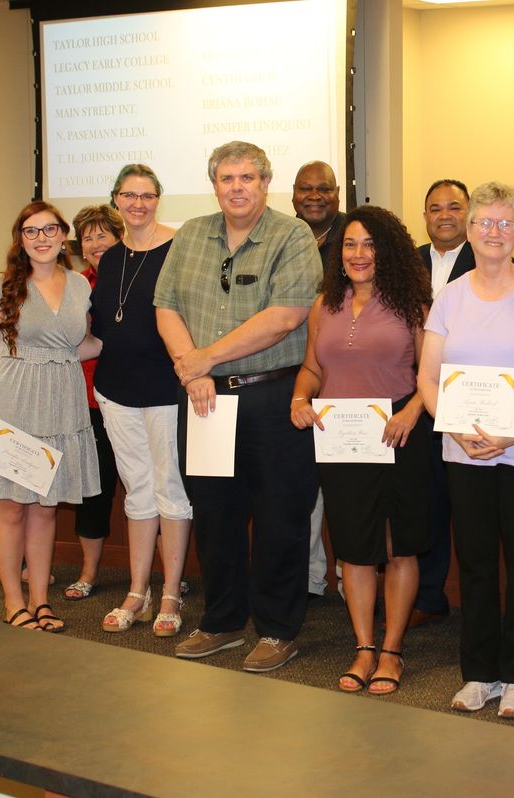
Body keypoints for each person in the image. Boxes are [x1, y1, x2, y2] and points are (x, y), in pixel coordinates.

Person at [155, 141, 320, 670]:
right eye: (227, 178)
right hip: (206, 399)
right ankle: (222, 622)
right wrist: (191, 366)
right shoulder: (190, 235)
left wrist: (205, 359)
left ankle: (277, 629)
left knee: (280, 517)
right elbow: (166, 307)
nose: (237, 187)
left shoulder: (291, 234)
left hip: (274, 396)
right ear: (215, 185)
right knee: (215, 515)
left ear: (265, 182)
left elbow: (287, 316)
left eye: (247, 177)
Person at [418, 181, 514, 719]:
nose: (493, 232)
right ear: (469, 228)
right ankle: (480, 673)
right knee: (478, 565)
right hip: (465, 453)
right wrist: (454, 425)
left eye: (505, 223)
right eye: (484, 222)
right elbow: (427, 379)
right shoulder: (451, 296)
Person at [291, 205, 432, 694]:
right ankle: (364, 647)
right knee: (353, 548)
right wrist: (298, 398)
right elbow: (312, 369)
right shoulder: (323, 304)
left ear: (387, 250)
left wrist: (412, 412)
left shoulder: (413, 305)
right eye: (350, 244)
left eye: (369, 244)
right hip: (341, 440)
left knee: (396, 547)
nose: (358, 253)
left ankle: (392, 651)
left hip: (397, 435)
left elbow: (433, 377)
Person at [0, 201, 102, 631]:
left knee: (45, 510)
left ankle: (41, 601)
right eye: (31, 231)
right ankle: (13, 602)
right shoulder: (3, 286)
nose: (41, 238)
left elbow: (78, 346)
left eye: (49, 230)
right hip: (12, 404)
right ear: (20, 240)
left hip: (62, 403)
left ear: (64, 236)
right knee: (10, 510)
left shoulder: (81, 285)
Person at [92, 164, 192, 636]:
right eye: (129, 195)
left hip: (167, 391)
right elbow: (103, 329)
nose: (138, 204)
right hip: (115, 392)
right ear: (116, 200)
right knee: (137, 490)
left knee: (170, 487)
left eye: (147, 196)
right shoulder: (110, 258)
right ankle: (138, 589)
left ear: (158, 199)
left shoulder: (180, 248)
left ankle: (170, 592)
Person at [413, 178, 474, 628]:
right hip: (419, 401)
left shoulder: (491, 261)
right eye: (436, 208)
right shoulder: (407, 262)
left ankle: (477, 602)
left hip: (473, 403)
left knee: (470, 510)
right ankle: (428, 597)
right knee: (427, 504)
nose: (445, 215)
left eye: (454, 206)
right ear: (426, 216)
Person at [63, 204, 124, 601]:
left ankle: (160, 575)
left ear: (120, 239)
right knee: (94, 492)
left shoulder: (140, 279)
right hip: (90, 403)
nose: (96, 242)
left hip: (140, 398)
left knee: (150, 490)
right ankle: (88, 572)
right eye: (89, 236)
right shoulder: (74, 287)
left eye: (104, 234)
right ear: (81, 248)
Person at [292, 160, 346, 600]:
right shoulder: (279, 236)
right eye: (305, 189)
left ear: (337, 193)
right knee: (301, 489)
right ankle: (309, 578)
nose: (314, 195)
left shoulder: (356, 236)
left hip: (350, 383)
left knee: (348, 491)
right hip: (295, 380)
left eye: (323, 188)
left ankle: (352, 578)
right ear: (292, 195)